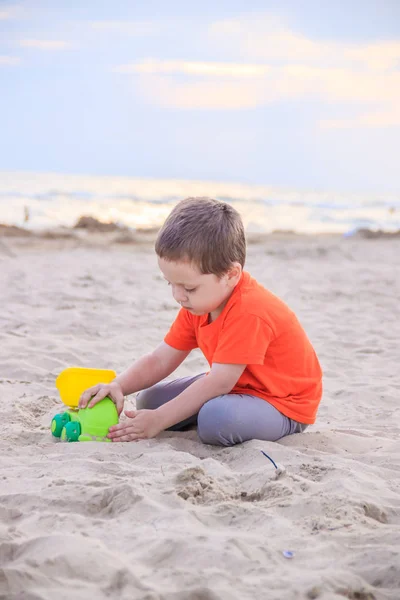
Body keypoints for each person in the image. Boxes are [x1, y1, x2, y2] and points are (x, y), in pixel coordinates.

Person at [79, 197, 323, 446]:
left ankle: (230, 414)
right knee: (148, 401)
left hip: (283, 403)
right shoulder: (198, 304)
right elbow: (160, 359)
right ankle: (210, 408)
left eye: (189, 287)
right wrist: (117, 385)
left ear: (231, 274)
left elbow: (219, 382)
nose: (177, 296)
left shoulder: (250, 310)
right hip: (236, 386)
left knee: (215, 421)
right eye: (170, 283)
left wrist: (158, 420)